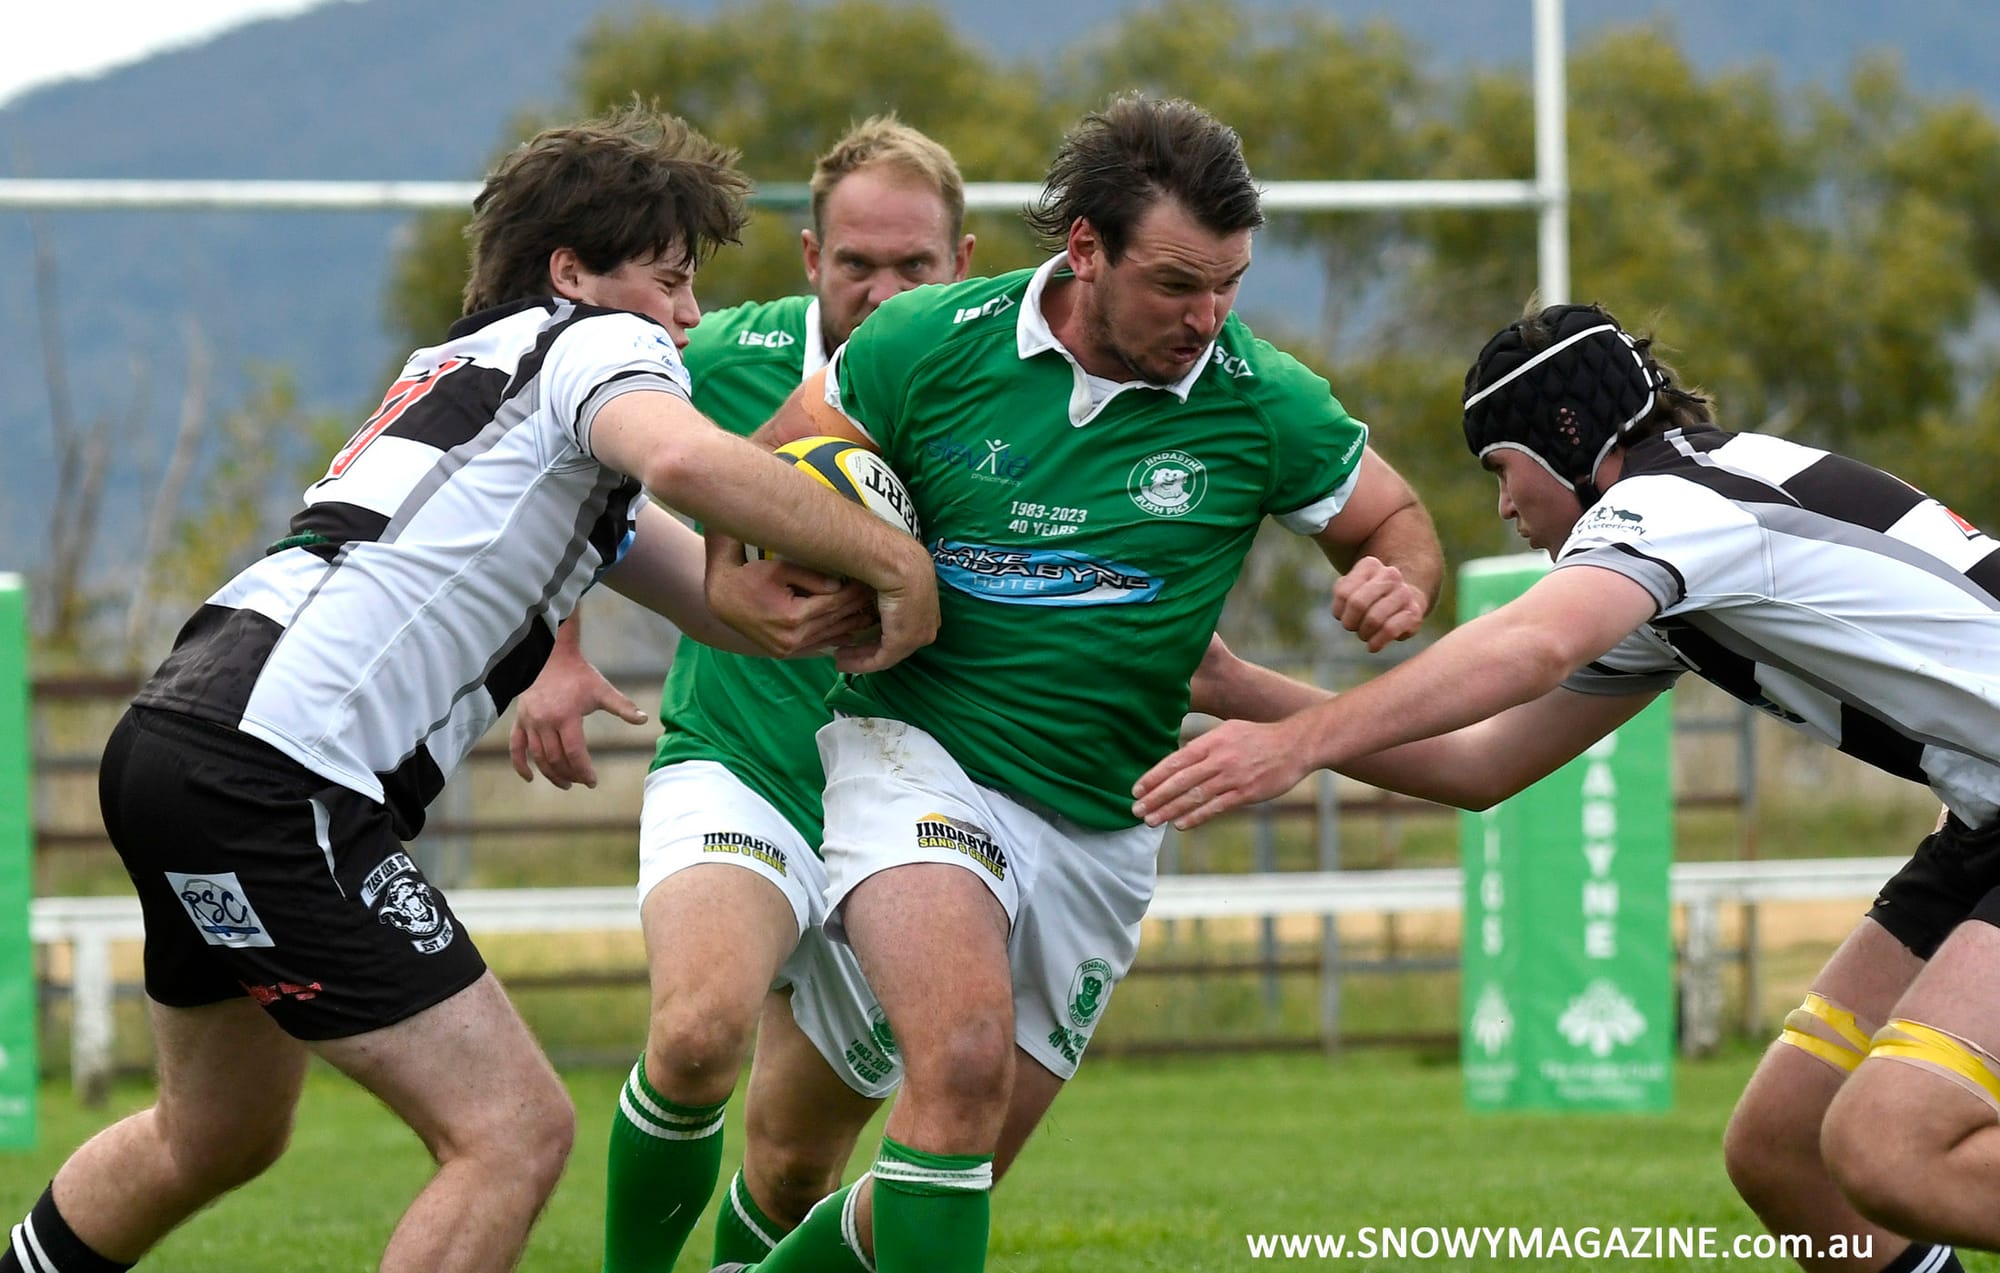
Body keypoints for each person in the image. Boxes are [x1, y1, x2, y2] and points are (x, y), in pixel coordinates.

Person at [0, 105, 940, 1273]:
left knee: (215, 1131)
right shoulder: (595, 343)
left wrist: (847, 601)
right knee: (513, 1131)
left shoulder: (474, 374)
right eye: (670, 279)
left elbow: (718, 603)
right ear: (573, 273)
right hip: (277, 770)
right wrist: (894, 561)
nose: (689, 316)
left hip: (177, 741)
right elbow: (687, 459)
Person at [715, 93, 1441, 1273]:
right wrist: (747, 577)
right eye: (1175, 284)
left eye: (1228, 286)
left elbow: (1393, 518)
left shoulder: (1260, 398)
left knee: (948, 1167)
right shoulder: (927, 340)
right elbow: (763, 475)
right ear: (1086, 248)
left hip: (1105, 820)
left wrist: (1395, 577)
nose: (1205, 317)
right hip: (916, 759)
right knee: (957, 1066)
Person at [1132, 300, 1999, 1273]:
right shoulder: (1681, 557)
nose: (1505, 507)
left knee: (1889, 1147)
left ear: (1568, 438)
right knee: (1781, 1149)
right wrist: (1238, 690)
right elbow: (1481, 764)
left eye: (1502, 470)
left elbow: (1533, 643)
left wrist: (1297, 748)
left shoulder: (1677, 504)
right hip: (1983, 820)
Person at [509, 115, 976, 1273]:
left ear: (961, 262)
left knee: (792, 1164)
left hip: (916, 806)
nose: (882, 289)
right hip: (742, 760)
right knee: (695, 1031)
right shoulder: (712, 355)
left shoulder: (997, 386)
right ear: (811, 255)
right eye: (856, 262)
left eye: (912, 265)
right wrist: (554, 649)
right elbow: (557, 456)